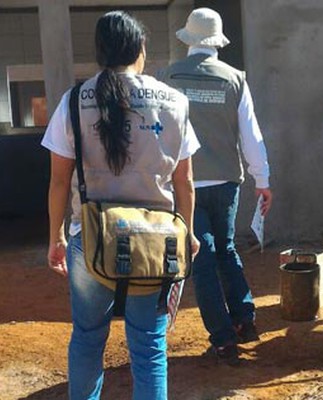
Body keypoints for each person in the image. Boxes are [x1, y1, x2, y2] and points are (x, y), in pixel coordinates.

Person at [42, 11, 200, 399]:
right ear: (140, 49)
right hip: (154, 242)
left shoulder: (74, 99)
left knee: (88, 338)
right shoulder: (174, 102)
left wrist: (56, 236)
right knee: (148, 344)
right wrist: (189, 233)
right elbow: (185, 181)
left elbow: (60, 179)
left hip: (90, 238)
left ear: (100, 51)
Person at [159, 8, 272, 366]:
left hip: (183, 184)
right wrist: (263, 179)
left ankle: (223, 339)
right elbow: (251, 135)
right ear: (217, 42)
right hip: (226, 182)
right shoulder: (235, 78)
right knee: (225, 249)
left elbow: (156, 135)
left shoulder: (166, 78)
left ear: (188, 40)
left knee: (202, 260)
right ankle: (244, 318)